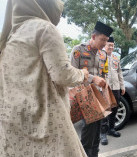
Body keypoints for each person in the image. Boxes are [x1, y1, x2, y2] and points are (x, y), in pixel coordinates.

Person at [0, 0, 89, 156]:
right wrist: (83, 74)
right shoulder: (44, 29)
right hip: (47, 124)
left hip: (15, 127)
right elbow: (62, 75)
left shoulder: (9, 39)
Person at [71, 21, 113, 157]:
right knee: (89, 132)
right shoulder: (78, 50)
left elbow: (104, 74)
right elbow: (72, 74)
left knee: (97, 133)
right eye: (102, 40)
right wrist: (92, 79)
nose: (104, 43)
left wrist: (104, 84)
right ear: (93, 36)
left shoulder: (103, 54)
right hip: (84, 96)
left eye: (106, 41)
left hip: (99, 97)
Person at [100, 37, 125, 145]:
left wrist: (122, 86)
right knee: (105, 111)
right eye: (109, 45)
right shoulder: (100, 56)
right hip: (105, 88)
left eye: (112, 45)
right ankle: (103, 134)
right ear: (105, 44)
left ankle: (111, 129)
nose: (111, 47)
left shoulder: (115, 57)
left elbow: (119, 73)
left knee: (114, 109)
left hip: (116, 87)